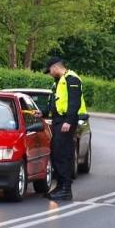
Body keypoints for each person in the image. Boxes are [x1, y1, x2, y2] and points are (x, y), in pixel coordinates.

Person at [44, 56, 87, 201]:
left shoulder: (72, 79)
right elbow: (57, 103)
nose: (49, 73)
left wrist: (68, 121)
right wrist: (43, 114)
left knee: (63, 154)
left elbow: (74, 102)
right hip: (59, 120)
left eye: (50, 71)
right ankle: (60, 186)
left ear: (55, 67)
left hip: (66, 122)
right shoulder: (59, 81)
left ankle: (66, 189)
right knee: (57, 153)